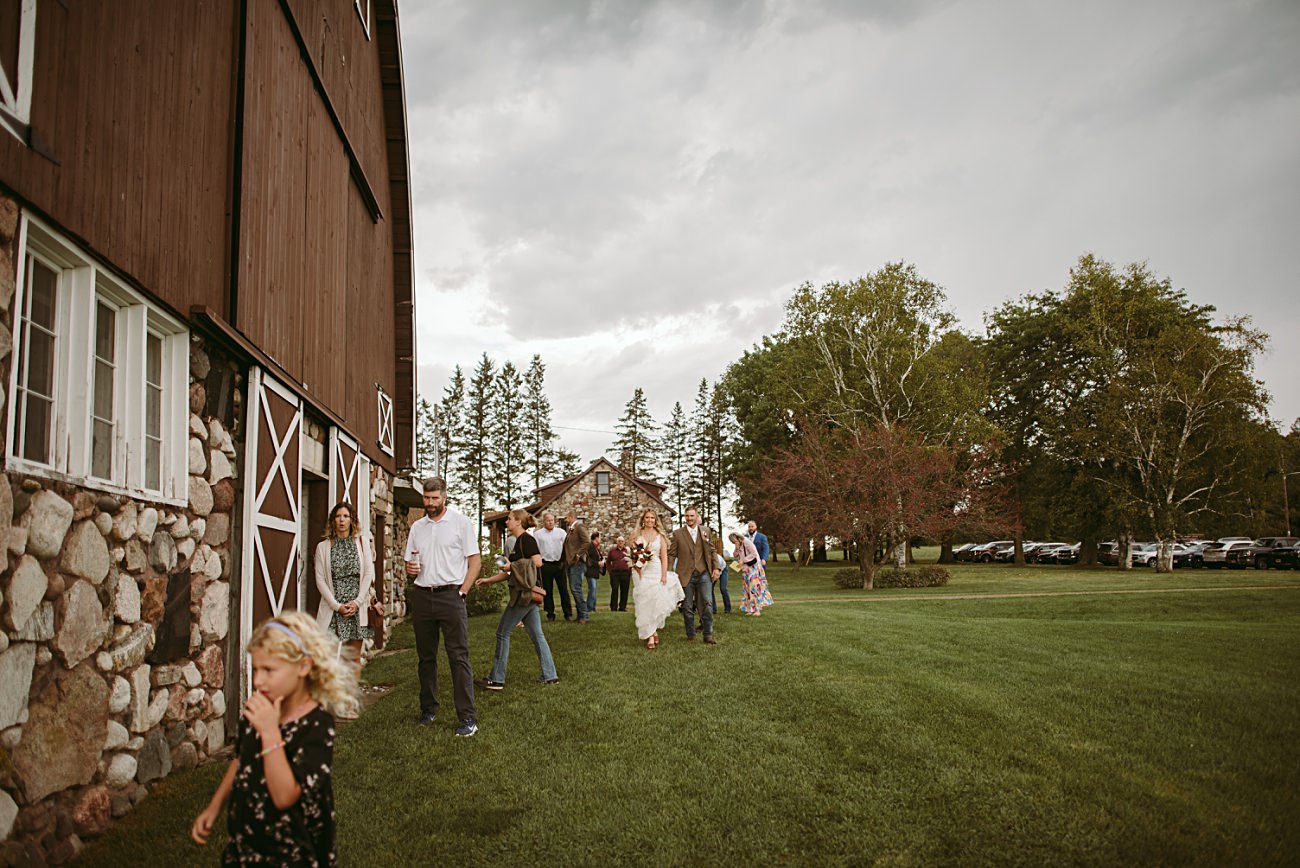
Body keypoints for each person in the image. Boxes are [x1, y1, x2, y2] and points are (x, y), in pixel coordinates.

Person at [191, 611, 354, 864]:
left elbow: (285, 796)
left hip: (291, 852)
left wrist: (269, 732)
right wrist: (214, 807)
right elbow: (240, 759)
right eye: (256, 669)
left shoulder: (317, 725)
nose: (258, 680)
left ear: (303, 666)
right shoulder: (260, 709)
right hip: (246, 844)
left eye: (269, 670)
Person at [403, 477, 480, 737]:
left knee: (458, 657)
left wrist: (462, 592)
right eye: (426, 498)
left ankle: (467, 718)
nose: (430, 503)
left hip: (451, 597)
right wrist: (410, 568)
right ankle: (428, 710)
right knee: (426, 658)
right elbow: (409, 563)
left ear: (444, 497)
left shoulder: (460, 522)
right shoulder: (417, 527)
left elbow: (475, 562)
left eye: (435, 498)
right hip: (423, 596)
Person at [474, 509, 559, 689]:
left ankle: (496, 679)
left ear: (519, 522)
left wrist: (511, 565)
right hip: (526, 595)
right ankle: (550, 674)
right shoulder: (518, 543)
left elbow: (537, 562)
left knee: (502, 633)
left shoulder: (527, 540)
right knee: (537, 635)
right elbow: (510, 572)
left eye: (510, 519)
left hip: (524, 596)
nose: (507, 522)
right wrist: (488, 580)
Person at [313, 501, 374, 714]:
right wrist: (337, 606)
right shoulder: (323, 547)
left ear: (352, 520)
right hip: (333, 608)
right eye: (338, 516)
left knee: (353, 658)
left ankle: (348, 704)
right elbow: (320, 580)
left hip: (357, 608)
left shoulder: (362, 543)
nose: (341, 520)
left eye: (345, 516)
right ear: (333, 520)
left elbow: (368, 574)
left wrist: (357, 602)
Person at [667, 506, 723, 644]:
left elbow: (712, 550)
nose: (689, 518)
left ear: (696, 516)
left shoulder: (705, 531)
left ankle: (708, 634)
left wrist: (716, 568)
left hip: (703, 573)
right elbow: (672, 554)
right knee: (686, 606)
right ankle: (691, 634)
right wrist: (668, 572)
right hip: (685, 574)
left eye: (692, 516)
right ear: (684, 517)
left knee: (707, 603)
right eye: (687, 516)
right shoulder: (677, 534)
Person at [630, 509, 683, 649]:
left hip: (656, 571)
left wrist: (664, 574)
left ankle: (652, 632)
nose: (649, 520)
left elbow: (664, 557)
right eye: (647, 518)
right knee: (644, 603)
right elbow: (632, 554)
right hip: (641, 572)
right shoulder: (636, 535)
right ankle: (651, 635)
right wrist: (638, 566)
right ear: (643, 519)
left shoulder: (660, 536)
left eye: (652, 518)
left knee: (654, 602)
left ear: (655, 520)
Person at [534, 512, 571, 622]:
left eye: (552, 520)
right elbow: (535, 549)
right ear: (543, 521)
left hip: (559, 564)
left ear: (554, 521)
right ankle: (550, 613)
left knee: (563, 589)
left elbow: (567, 546)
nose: (550, 522)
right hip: (546, 564)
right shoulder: (538, 534)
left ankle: (568, 613)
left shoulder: (561, 532)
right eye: (548, 520)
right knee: (547, 590)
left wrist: (565, 561)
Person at [730, 531, 774, 616]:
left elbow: (754, 554)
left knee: (754, 588)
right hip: (746, 569)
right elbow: (735, 555)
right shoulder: (739, 545)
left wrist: (744, 560)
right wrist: (736, 548)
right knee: (747, 588)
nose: (734, 543)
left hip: (754, 567)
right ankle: (750, 609)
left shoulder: (747, 542)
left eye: (734, 541)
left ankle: (757, 609)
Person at [562, 510, 591, 623]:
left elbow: (587, 542)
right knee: (574, 589)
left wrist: (579, 554)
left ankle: (584, 616)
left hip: (577, 563)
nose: (565, 520)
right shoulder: (571, 530)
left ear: (571, 517)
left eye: (566, 518)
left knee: (576, 589)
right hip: (571, 563)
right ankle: (580, 616)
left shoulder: (579, 527)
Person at [607, 535, 632, 612]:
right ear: (616, 542)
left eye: (622, 541)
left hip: (625, 573)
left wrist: (629, 571)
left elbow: (632, 561)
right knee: (614, 590)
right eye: (619, 541)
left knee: (624, 590)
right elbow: (608, 562)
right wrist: (610, 571)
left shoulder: (627, 551)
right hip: (615, 574)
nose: (620, 542)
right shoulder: (612, 551)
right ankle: (613, 607)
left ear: (624, 542)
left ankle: (622, 607)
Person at [584, 531, 604, 615]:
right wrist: (597, 563)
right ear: (596, 538)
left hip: (595, 572)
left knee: (594, 590)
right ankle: (589, 607)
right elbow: (588, 559)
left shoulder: (596, 548)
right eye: (600, 537)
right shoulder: (591, 546)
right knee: (592, 589)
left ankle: (593, 607)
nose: (601, 539)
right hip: (590, 572)